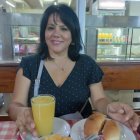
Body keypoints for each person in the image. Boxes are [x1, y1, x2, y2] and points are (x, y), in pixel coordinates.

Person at [8, 3, 140, 138]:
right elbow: (15, 105)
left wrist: (108, 107)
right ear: (44, 33)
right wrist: (20, 112)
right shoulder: (30, 64)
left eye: (64, 28)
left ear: (73, 36)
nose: (56, 33)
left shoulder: (87, 64)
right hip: (40, 133)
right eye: (51, 28)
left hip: (81, 133)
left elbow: (99, 99)